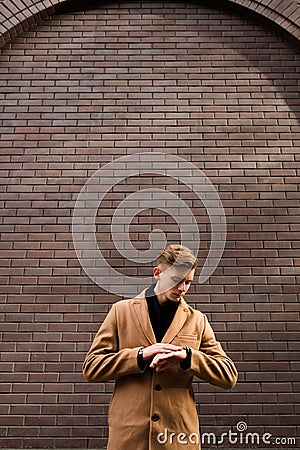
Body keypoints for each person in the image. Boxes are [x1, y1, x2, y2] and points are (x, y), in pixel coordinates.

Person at [82, 244, 238, 450]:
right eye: (176, 280)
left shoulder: (198, 320)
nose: (183, 289)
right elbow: (92, 367)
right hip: (129, 437)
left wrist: (187, 357)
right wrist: (139, 356)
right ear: (157, 273)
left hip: (178, 437)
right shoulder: (121, 312)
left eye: (188, 282)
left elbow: (229, 376)